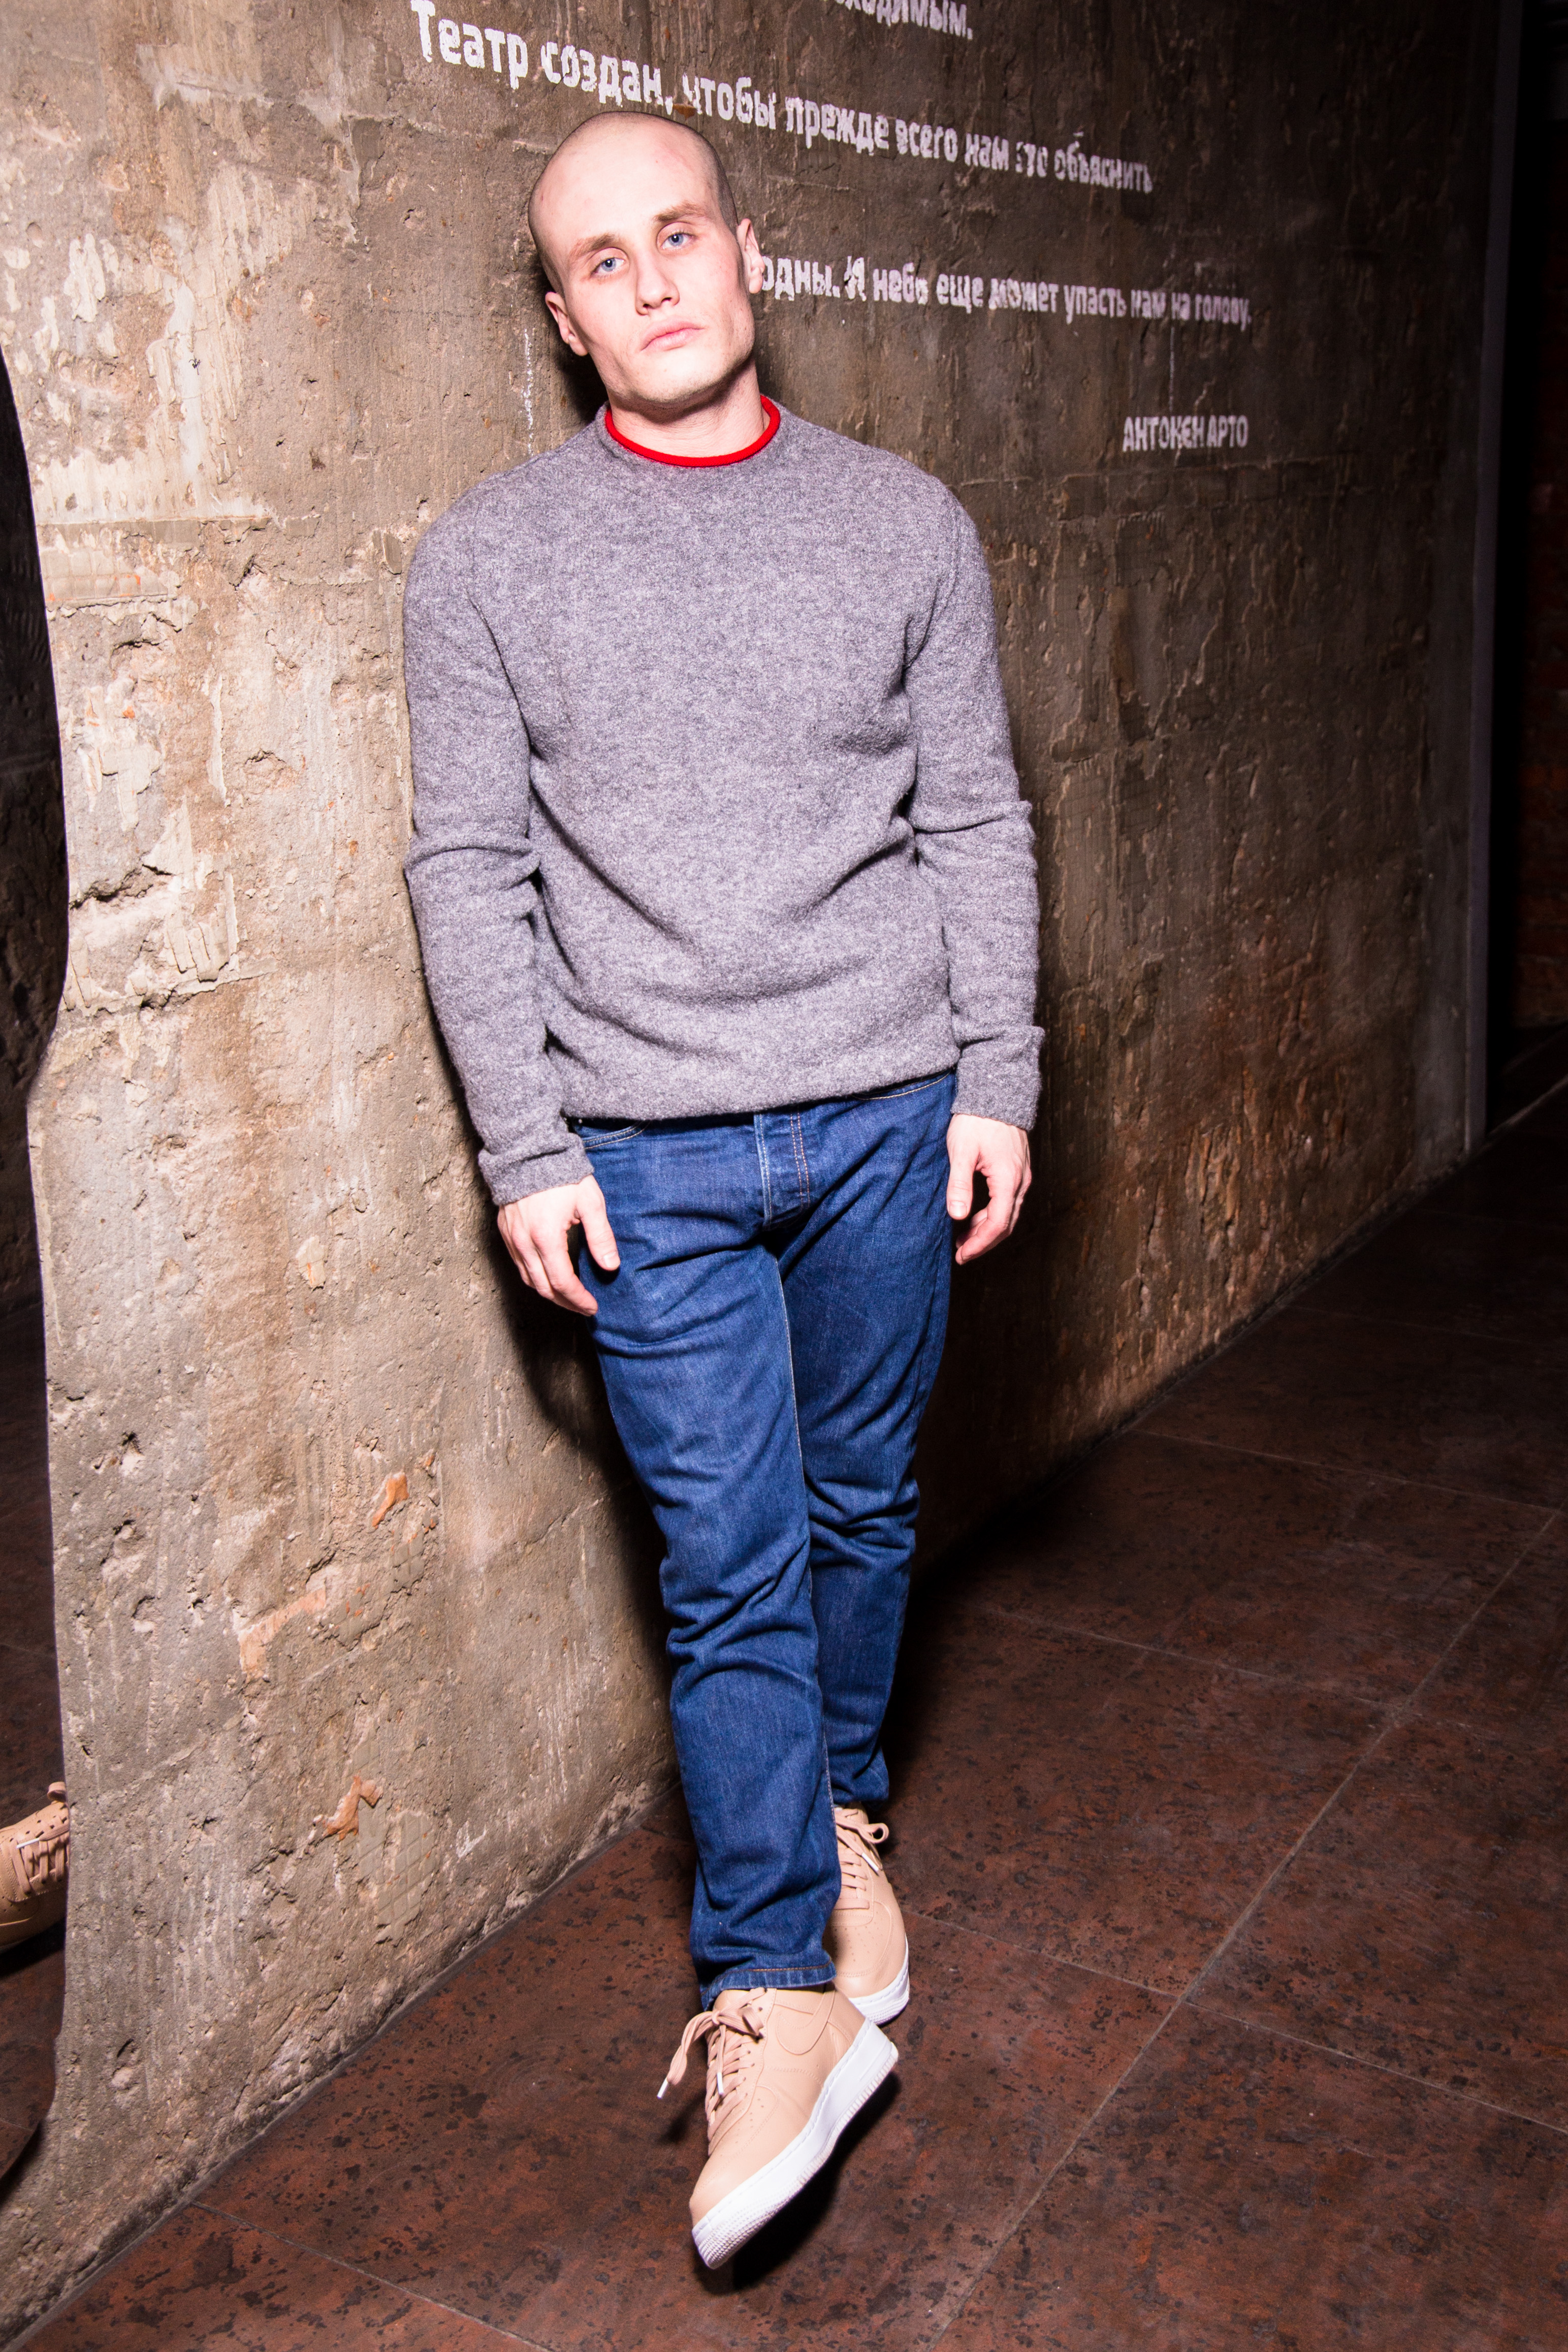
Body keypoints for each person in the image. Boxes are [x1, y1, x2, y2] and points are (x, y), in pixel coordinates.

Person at [401, 108, 1041, 2267]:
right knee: (730, 1559)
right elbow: (468, 871)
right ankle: (771, 1985)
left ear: (744, 254)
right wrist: (522, 1142)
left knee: (860, 1508)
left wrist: (999, 1077)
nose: (651, 276)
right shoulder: (487, 560)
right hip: (644, 1148)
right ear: (563, 318)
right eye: (602, 258)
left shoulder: (903, 523)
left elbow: (976, 818)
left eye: (678, 232)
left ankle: (840, 1808)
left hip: (887, 1111)